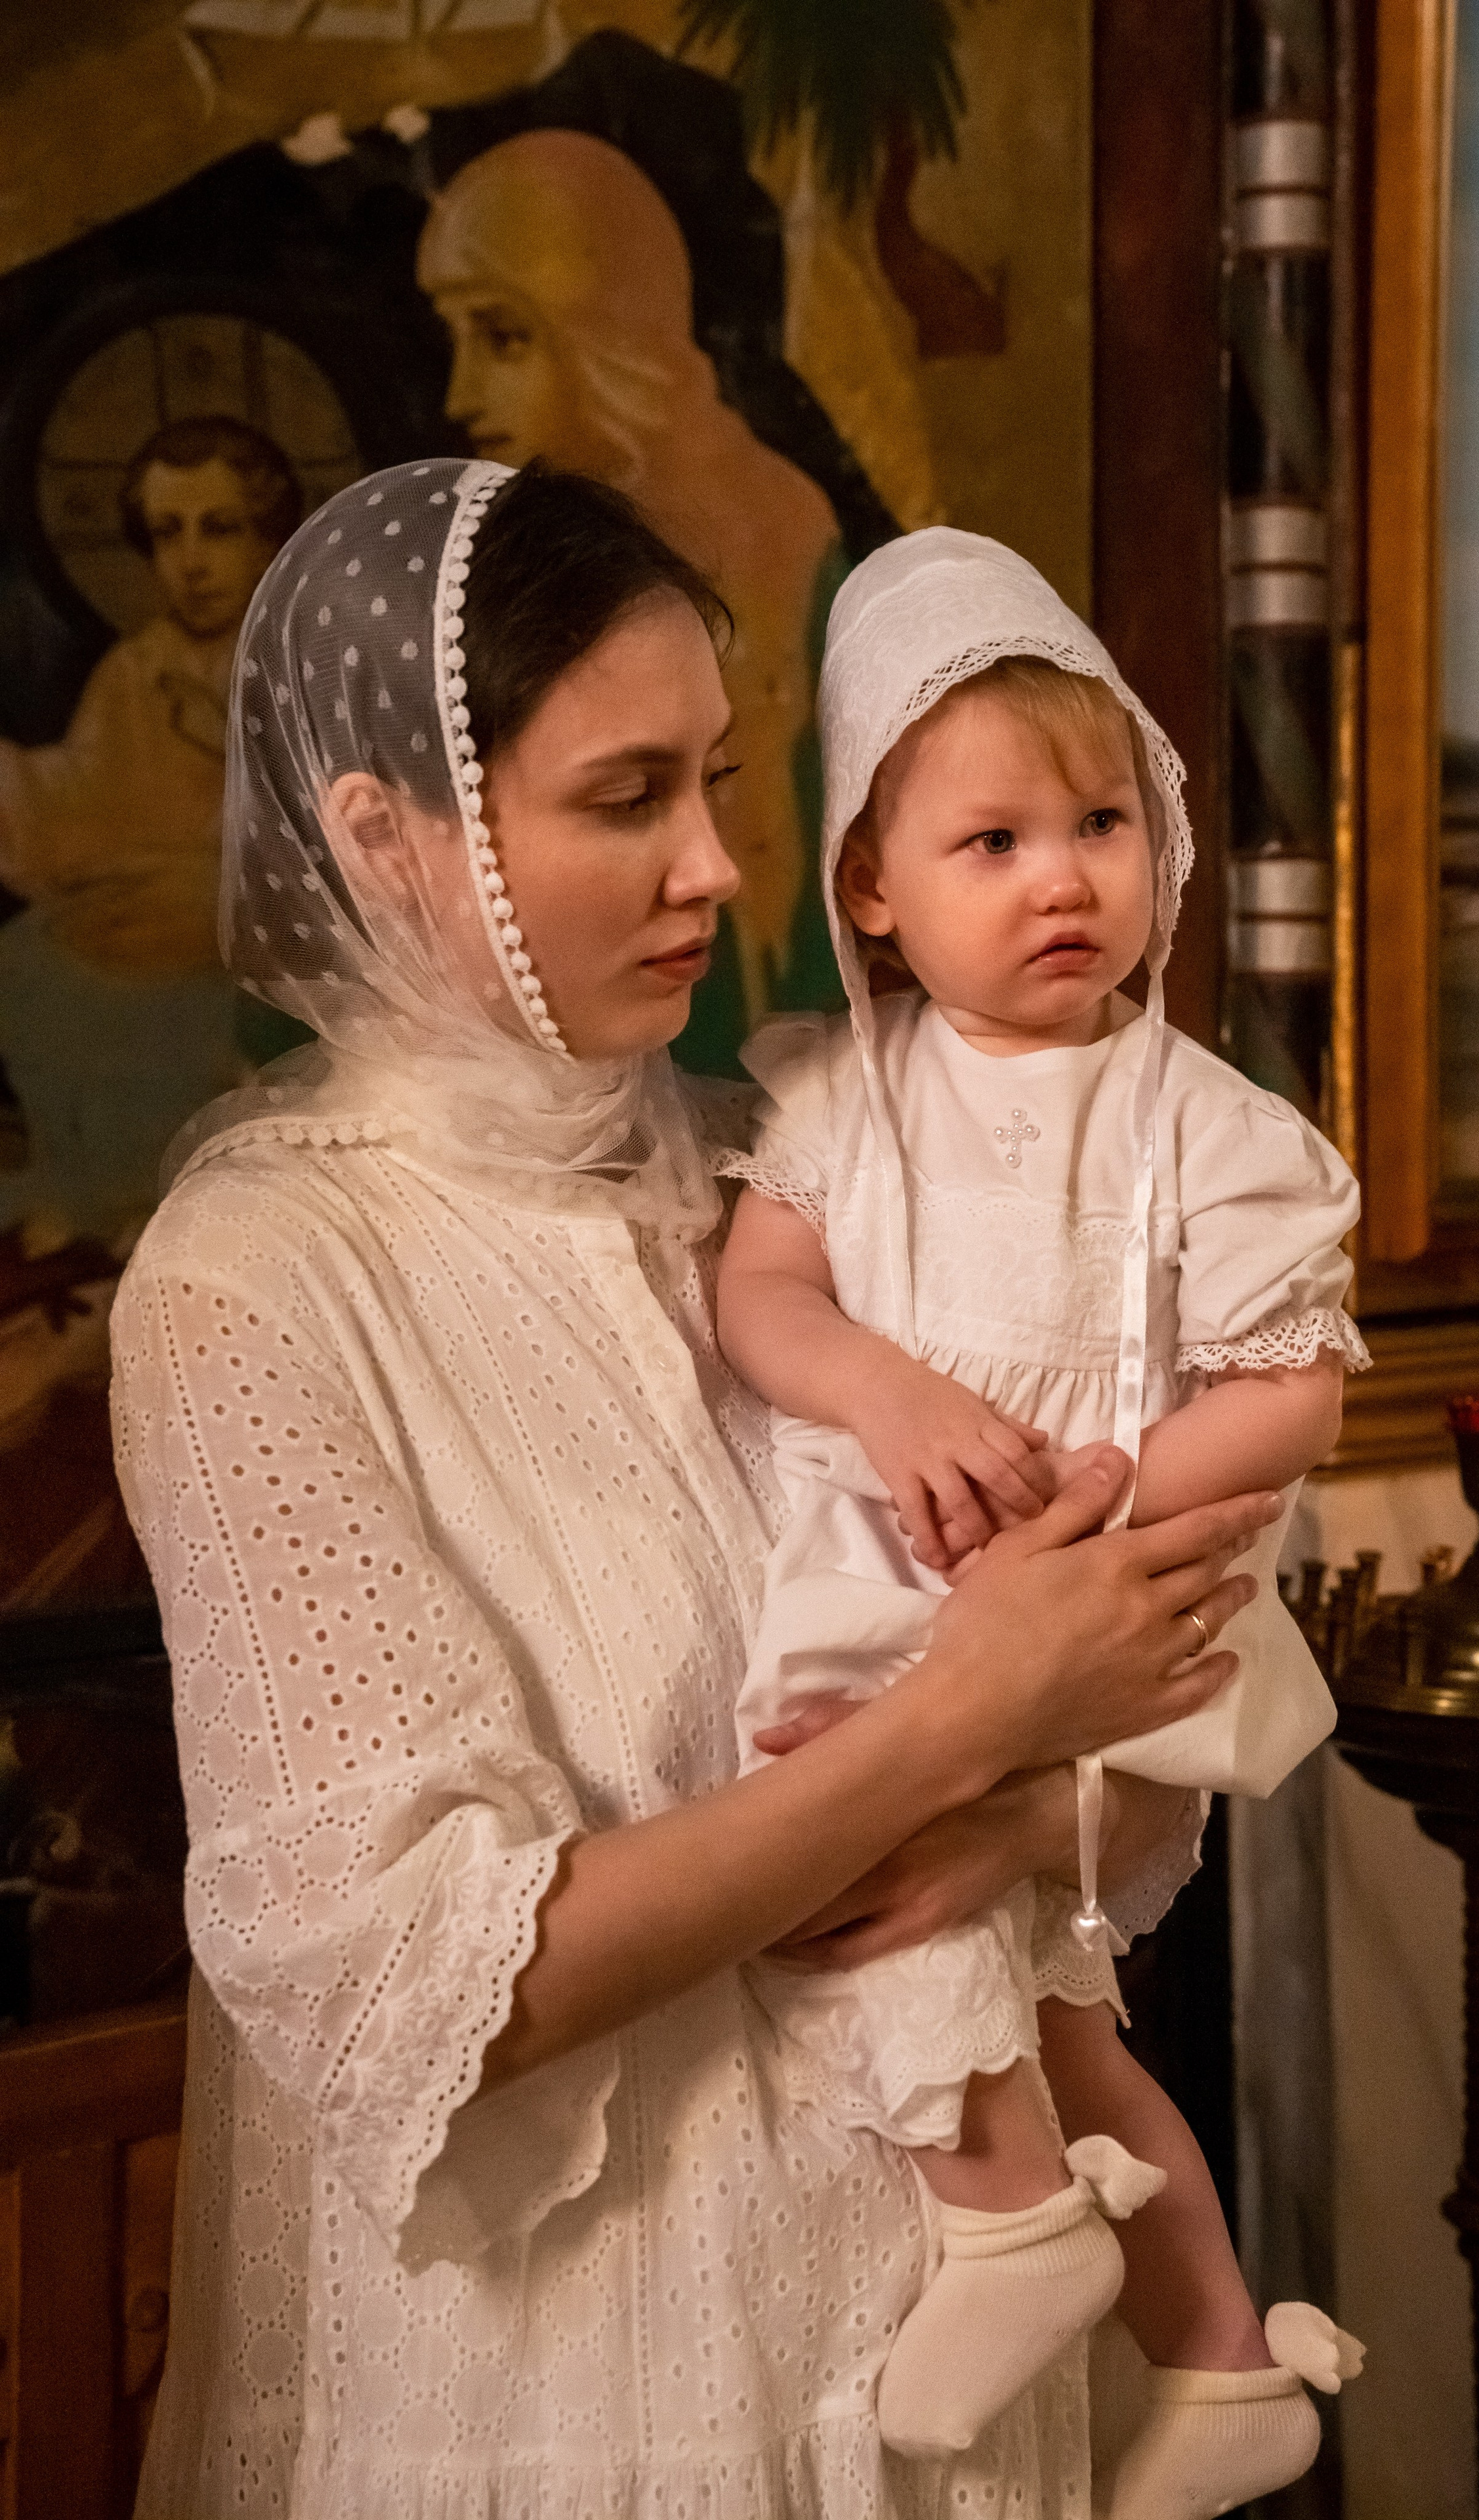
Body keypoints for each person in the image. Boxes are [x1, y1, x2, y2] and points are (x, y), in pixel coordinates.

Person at [112, 458, 1279, 2516]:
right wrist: (960, 1720)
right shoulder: (253, 1288)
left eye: (726, 782)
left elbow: (1150, 1672)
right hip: (572, 2393)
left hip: (924, 2348)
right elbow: (429, 1989)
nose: (723, 869)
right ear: (388, 836)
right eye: (625, 796)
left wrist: (1038, 1782)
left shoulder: (800, 1178)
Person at [714, 530, 1366, 2511]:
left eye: (1099, 820)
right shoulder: (843, 1097)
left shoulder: (1205, 1123)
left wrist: (1094, 1504)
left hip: (1116, 1599)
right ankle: (1220, 2351)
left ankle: (999, 2216)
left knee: (874, 1835)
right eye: (989, 841)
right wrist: (888, 1395)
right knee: (1051, 1998)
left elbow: (1297, 1389)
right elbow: (761, 1298)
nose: (1061, 874)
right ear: (874, 892)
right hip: (903, 1561)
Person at [418, 129, 846, 1068]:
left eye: (503, 337)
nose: (460, 391)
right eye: (455, 340)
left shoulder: (775, 530)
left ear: (605, 324)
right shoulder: (498, 570)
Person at [0, 415, 302, 1251]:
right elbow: (81, 798)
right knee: (27, 958)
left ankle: (188, 1198)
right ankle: (93, 1189)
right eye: (168, 535)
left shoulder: (291, 660)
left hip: (245, 919)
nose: (192, 561)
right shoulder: (136, 669)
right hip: (147, 910)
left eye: (220, 528)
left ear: (269, 533)